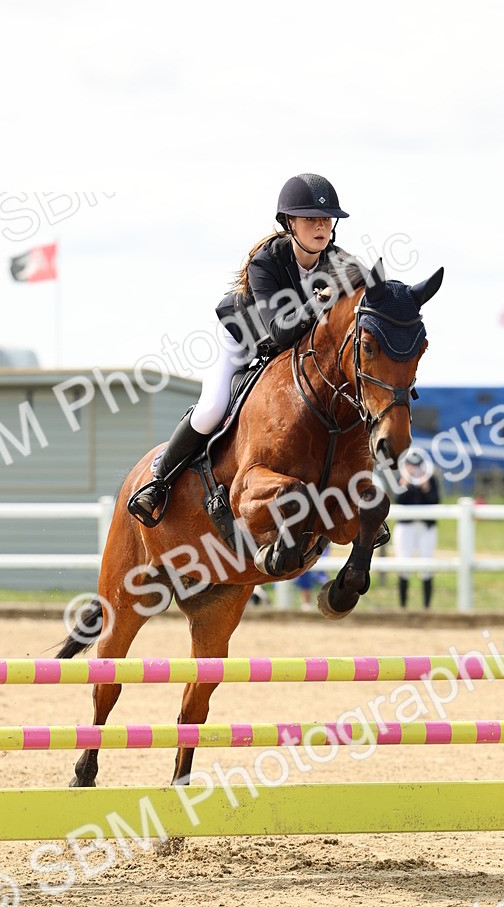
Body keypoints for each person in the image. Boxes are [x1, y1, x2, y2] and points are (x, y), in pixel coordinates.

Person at [127, 173, 354, 526]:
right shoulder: (267, 262)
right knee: (211, 409)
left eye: (326, 220)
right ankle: (158, 482)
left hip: (292, 353)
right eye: (311, 219)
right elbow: (279, 332)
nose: (321, 227)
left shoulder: (340, 261)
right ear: (289, 223)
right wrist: (320, 301)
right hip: (247, 338)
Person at [393, 450, 440, 609]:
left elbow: (435, 501)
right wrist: (404, 486)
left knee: (427, 566)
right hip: (406, 527)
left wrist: (426, 488)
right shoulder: (401, 480)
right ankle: (403, 606)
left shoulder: (430, 479)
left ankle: (427, 606)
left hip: (425, 527)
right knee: (403, 565)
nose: (415, 468)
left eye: (417, 465)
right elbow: (398, 500)